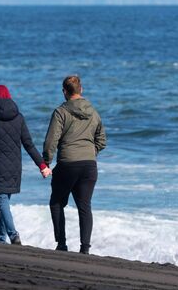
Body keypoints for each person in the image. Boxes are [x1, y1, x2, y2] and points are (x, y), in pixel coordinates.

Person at [43, 75, 106, 254]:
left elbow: (51, 141)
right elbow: (102, 139)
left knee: (56, 202)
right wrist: (91, 152)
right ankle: (85, 248)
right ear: (81, 89)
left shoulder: (60, 112)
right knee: (84, 206)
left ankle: (62, 244)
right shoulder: (93, 112)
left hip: (67, 164)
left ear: (64, 91)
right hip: (89, 165)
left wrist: (46, 161)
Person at [0, 85, 50, 245]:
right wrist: (42, 165)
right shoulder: (19, 118)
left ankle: (13, 235)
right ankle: (1, 239)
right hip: (14, 167)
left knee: (3, 202)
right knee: (4, 202)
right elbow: (29, 144)